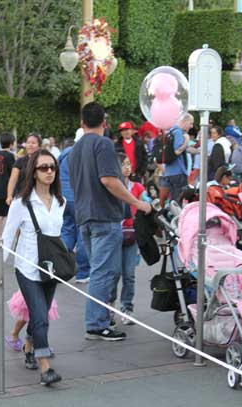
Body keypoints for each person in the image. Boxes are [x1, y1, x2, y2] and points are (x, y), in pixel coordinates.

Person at [68, 102, 151, 341]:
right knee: (104, 272)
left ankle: (102, 317)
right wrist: (136, 203)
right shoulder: (103, 144)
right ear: (104, 122)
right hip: (105, 215)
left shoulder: (75, 149)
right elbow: (109, 180)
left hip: (85, 216)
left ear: (82, 124)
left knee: (101, 270)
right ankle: (96, 324)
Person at [1, 150, 65, 386]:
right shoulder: (21, 203)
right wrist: (0, 268)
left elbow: (57, 235)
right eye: (43, 168)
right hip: (27, 268)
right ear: (34, 173)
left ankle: (29, 346)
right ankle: (45, 367)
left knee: (41, 314)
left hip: (51, 268)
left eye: (52, 167)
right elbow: (8, 236)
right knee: (40, 316)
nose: (49, 172)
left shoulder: (61, 202)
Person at [110, 154, 145, 325]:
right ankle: (109, 306)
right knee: (113, 274)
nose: (127, 167)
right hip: (114, 233)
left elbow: (146, 203)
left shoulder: (137, 187)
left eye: (129, 164)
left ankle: (127, 307)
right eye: (123, 164)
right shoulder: (111, 186)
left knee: (129, 274)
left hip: (132, 234)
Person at [59, 129, 90, 283]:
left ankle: (60, 268)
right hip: (79, 198)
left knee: (67, 231)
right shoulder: (85, 153)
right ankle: (83, 272)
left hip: (63, 198)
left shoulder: (65, 153)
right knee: (83, 234)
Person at [0, 133, 16, 254]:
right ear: (11, 143)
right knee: (12, 217)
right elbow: (14, 173)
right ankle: (13, 242)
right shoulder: (10, 156)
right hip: (7, 190)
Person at [163, 114, 193, 201]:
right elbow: (178, 151)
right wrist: (187, 139)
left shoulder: (170, 131)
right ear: (184, 121)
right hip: (178, 172)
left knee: (173, 199)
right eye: (190, 123)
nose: (191, 126)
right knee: (179, 200)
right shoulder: (178, 132)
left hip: (170, 172)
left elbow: (185, 149)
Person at [6, 133, 42, 205]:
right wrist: (9, 196)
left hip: (39, 198)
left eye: (33, 143)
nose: (30, 145)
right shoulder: (20, 161)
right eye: (28, 143)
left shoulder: (43, 160)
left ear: (39, 146)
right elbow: (13, 179)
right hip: (22, 197)